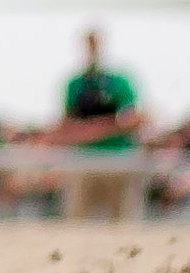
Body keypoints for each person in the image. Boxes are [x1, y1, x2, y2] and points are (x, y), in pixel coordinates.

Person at [58, 27, 143, 221]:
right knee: (77, 217)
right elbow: (67, 124)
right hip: (84, 159)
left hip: (117, 158)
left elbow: (133, 118)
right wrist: (108, 127)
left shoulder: (118, 81)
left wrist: (92, 130)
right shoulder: (75, 83)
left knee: (121, 217)